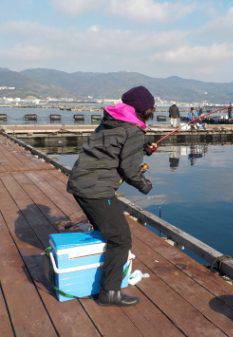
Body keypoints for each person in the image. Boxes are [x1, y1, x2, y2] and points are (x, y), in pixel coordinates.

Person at [67, 86, 158, 307]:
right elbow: (129, 170)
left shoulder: (111, 121)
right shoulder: (134, 131)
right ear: (143, 109)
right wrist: (145, 185)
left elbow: (114, 147)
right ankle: (109, 293)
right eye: (151, 107)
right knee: (121, 239)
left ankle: (98, 277)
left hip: (80, 183)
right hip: (96, 190)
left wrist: (144, 147)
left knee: (108, 232)